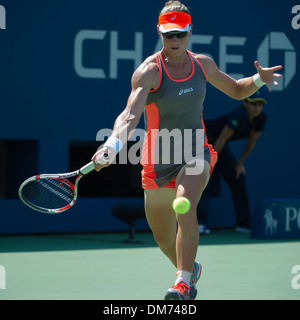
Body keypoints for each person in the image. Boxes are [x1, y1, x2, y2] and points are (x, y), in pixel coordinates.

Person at [91, 1, 282, 300]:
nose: (175, 40)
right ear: (160, 32)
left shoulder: (202, 64)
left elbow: (235, 89)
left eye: (180, 34)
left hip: (196, 153)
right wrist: (112, 145)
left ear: (190, 31)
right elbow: (130, 115)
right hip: (157, 162)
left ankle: (181, 283)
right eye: (169, 35)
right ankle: (190, 268)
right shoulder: (148, 72)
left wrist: (258, 79)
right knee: (163, 236)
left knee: (184, 204)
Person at [197, 90, 268, 234]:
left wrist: (239, 164)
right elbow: (221, 139)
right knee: (204, 179)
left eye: (260, 104)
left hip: (218, 145)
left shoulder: (260, 118)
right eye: (254, 104)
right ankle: (199, 224)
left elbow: (251, 142)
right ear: (245, 103)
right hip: (203, 140)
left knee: (238, 177)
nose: (257, 108)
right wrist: (209, 166)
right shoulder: (238, 116)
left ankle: (243, 224)